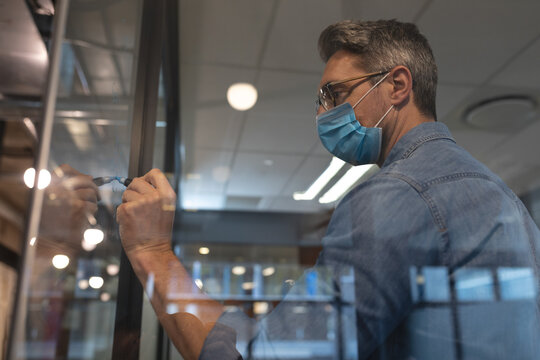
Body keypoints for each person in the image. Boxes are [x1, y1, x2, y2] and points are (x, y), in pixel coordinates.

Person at [117, 20, 540, 359]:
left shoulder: (395, 196)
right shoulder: (508, 203)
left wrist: (152, 253)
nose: (323, 113)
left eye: (334, 94)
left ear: (397, 86)